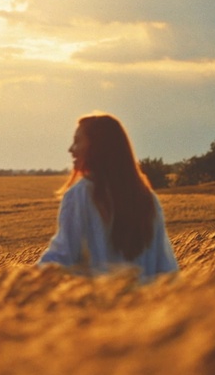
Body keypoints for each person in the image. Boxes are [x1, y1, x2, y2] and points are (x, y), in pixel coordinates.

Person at [37, 113, 179, 280]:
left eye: (77, 141)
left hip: (101, 304)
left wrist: (21, 281)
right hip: (148, 304)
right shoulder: (147, 198)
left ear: (97, 147)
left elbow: (60, 257)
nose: (70, 149)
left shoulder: (78, 196)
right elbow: (167, 270)